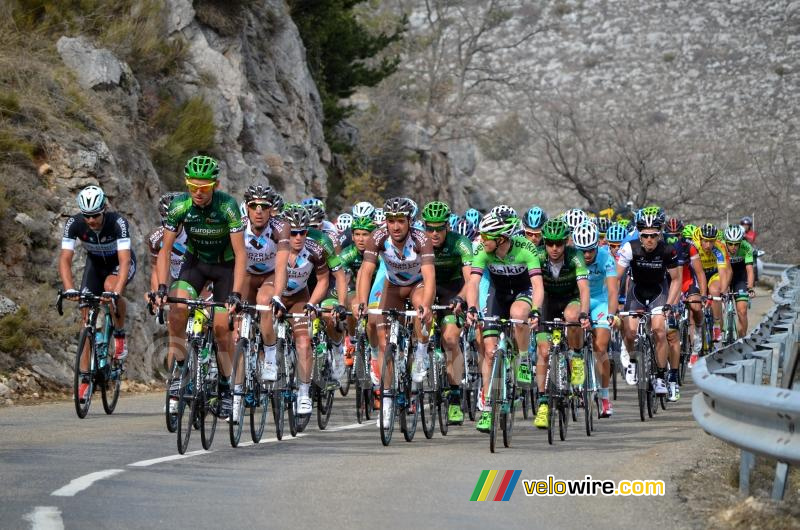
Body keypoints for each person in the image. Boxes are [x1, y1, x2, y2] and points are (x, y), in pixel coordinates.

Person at [155, 155, 247, 421]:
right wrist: (162, 286)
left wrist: (236, 294)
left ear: (215, 185)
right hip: (195, 263)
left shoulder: (228, 206)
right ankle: (181, 368)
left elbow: (241, 254)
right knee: (176, 309)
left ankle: (226, 388)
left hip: (225, 267)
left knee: (221, 329)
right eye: (193, 186)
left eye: (204, 188)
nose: (198, 192)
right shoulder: (180, 206)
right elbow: (166, 249)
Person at [354, 197, 435, 429]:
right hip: (392, 285)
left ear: (410, 221)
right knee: (384, 339)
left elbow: (430, 276)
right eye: (391, 221)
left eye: (400, 220)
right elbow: (366, 271)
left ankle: (420, 352)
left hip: (416, 284)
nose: (396, 226)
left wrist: (427, 305)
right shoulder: (377, 237)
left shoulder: (421, 239)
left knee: (420, 309)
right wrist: (361, 301)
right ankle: (387, 396)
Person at [466, 212, 544, 433]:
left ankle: (523, 359)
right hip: (498, 294)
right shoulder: (483, 250)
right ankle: (489, 408)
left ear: (501, 238)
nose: (481, 239)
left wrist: (536, 310)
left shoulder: (525, 249)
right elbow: (473, 283)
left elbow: (538, 286)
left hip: (523, 291)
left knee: (519, 315)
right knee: (489, 351)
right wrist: (472, 307)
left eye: (486, 236)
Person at [60, 185, 136, 403]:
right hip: (94, 266)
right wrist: (69, 288)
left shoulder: (117, 223)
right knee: (86, 319)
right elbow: (65, 258)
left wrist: (117, 293)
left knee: (111, 288)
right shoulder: (74, 224)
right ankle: (85, 379)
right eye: (87, 216)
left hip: (118, 265)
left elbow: (124, 261)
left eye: (95, 215)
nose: (91, 221)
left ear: (103, 209)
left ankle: (119, 334)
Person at [532, 218, 591, 429]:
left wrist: (584, 313)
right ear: (544, 243)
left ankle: (575, 357)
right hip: (546, 300)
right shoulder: (537, 256)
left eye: (559, 243)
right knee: (544, 351)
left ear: (566, 242)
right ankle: (542, 403)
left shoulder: (575, 257)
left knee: (573, 316)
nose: (554, 248)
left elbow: (584, 288)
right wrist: (534, 312)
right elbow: (534, 287)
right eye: (550, 243)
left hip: (570, 299)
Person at [616, 210, 681, 396]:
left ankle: (660, 377)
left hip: (658, 292)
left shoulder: (668, 250)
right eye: (645, 236)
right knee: (629, 333)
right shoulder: (630, 247)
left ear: (660, 234)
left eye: (654, 235)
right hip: (637, 291)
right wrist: (614, 304)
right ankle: (634, 361)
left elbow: (676, 280)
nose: (650, 240)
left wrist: (669, 304)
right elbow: (615, 277)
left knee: (660, 330)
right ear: (639, 234)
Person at [421, 200, 474, 425]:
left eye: (439, 228)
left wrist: (461, 298)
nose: (434, 233)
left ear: (447, 227)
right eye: (429, 228)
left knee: (451, 339)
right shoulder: (418, 242)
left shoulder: (460, 243)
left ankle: (454, 398)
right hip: (425, 289)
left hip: (452, 290)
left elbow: (471, 278)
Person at [572, 221, 618, 417]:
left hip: (599, 301)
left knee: (601, 347)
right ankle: (576, 368)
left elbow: (613, 291)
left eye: (591, 250)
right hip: (577, 300)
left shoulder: (606, 257)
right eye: (583, 251)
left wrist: (611, 314)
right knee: (573, 336)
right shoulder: (571, 257)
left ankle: (605, 396)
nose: (587, 255)